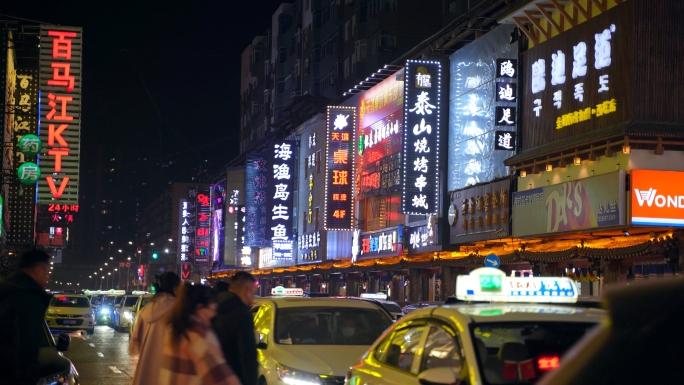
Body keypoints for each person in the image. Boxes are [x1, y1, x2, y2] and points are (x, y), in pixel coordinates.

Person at [159, 283, 241, 385]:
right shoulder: (199, 337)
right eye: (212, 309)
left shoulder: (175, 332)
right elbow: (219, 377)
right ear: (200, 308)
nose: (214, 314)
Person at [0, 248, 57, 383]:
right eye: (47, 272)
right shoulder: (28, 296)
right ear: (38, 269)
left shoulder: (6, 287)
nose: (47, 277)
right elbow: (26, 343)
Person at [129, 271, 181, 385]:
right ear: (175, 288)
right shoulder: (179, 310)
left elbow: (136, 341)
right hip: (171, 367)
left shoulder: (145, 310)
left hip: (147, 366)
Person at [212, 271, 257, 385]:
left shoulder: (213, 306)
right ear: (247, 291)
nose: (252, 297)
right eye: (252, 292)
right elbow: (247, 355)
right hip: (233, 377)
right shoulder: (242, 314)